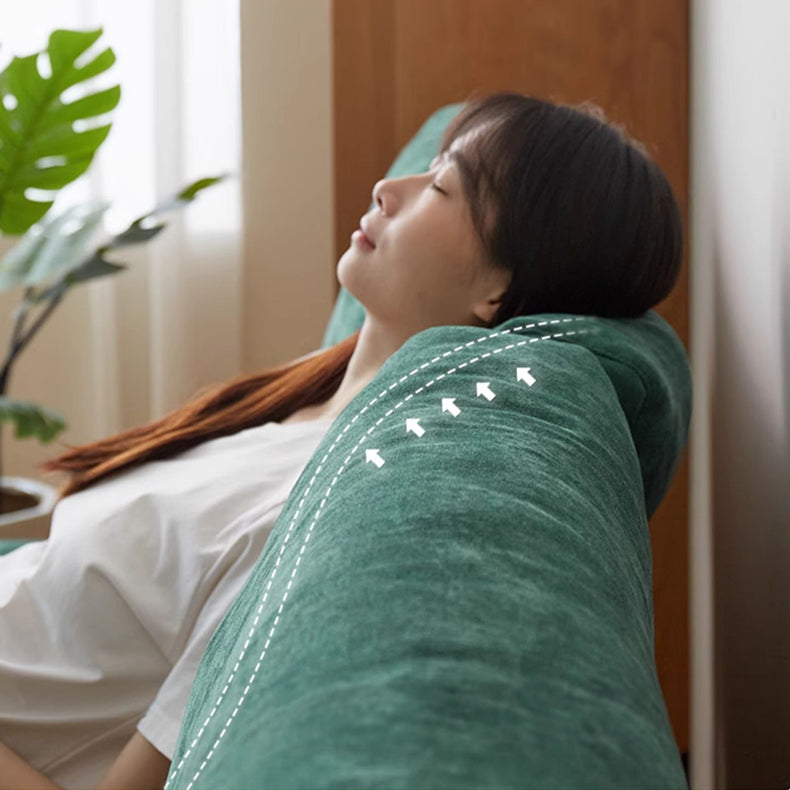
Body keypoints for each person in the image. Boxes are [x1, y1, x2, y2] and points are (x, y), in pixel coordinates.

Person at [0, 89, 683, 790]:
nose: (389, 188)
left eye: (444, 185)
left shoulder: (318, 508)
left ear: (499, 291)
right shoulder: (297, 403)